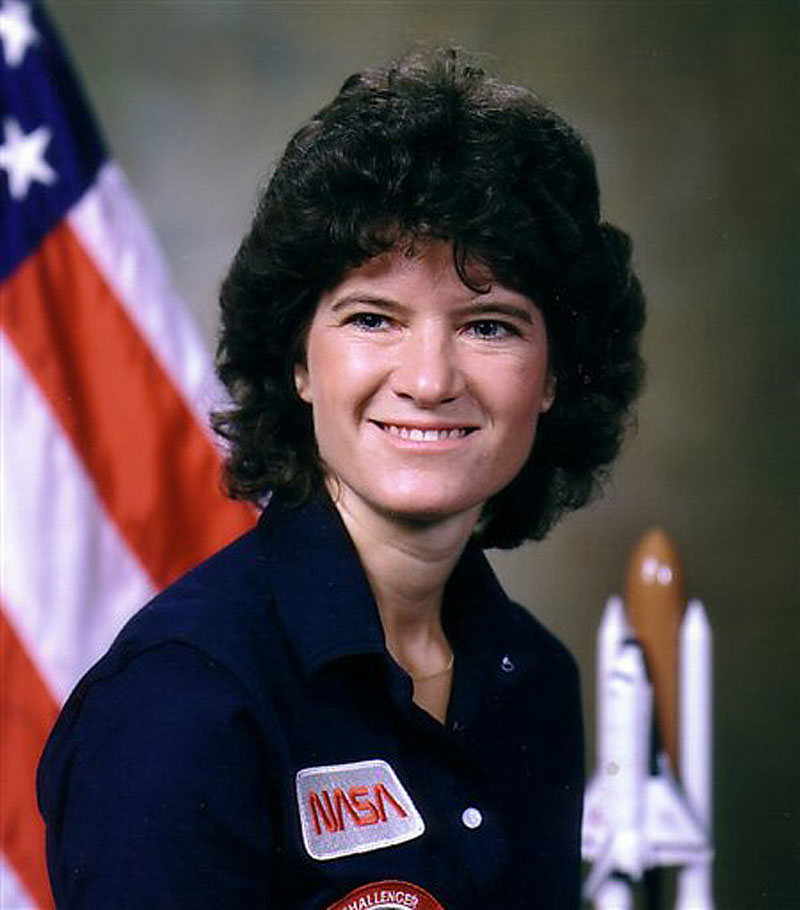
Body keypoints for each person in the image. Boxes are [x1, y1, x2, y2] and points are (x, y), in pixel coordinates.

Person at [38, 47, 645, 909]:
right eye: (373, 318)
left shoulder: (531, 677)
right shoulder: (183, 703)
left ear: (553, 377)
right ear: (299, 362)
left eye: (491, 326)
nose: (430, 380)